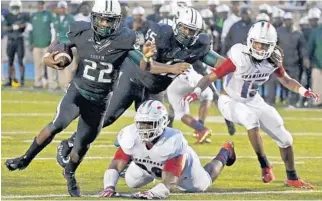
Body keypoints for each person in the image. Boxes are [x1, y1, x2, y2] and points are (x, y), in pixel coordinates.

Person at [4, 0, 169, 197]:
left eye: (110, 21)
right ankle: (25, 158)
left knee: (80, 147)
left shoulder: (126, 38)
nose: (105, 24)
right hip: (78, 91)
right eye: (102, 20)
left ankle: (70, 173)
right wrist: (51, 57)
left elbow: (143, 66)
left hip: (99, 101)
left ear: (117, 21)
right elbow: (60, 43)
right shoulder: (81, 30)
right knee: (57, 124)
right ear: (93, 18)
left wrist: (148, 57)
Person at [56, 7, 232, 167]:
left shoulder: (199, 45)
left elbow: (221, 63)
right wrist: (172, 68)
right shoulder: (160, 34)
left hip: (155, 89)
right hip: (133, 79)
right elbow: (146, 65)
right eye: (185, 28)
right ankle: (71, 142)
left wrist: (236, 66)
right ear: (177, 25)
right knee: (107, 117)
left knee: (151, 129)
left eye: (192, 30)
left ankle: (129, 162)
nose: (187, 33)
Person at [183, 21, 319, 188]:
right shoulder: (238, 58)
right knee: (250, 119)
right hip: (229, 100)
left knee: (285, 137)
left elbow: (286, 80)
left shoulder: (273, 59)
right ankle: (265, 165)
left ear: (271, 46)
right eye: (257, 43)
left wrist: (303, 91)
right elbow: (210, 78)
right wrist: (195, 92)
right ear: (250, 41)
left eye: (264, 45)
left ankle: (292, 177)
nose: (260, 48)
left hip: (254, 100)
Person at [98, 100, 236, 199]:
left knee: (201, 184)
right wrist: (109, 187)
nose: (144, 129)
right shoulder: (130, 135)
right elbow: (116, 164)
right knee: (132, 182)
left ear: (162, 122)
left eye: (149, 124)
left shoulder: (172, 141)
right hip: (149, 165)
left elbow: (170, 181)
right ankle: (139, 162)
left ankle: (226, 151)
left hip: (182, 170)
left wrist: (153, 193)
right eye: (141, 124)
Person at [2, 0, 29, 87]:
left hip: (19, 40)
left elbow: (24, 25)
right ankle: (10, 80)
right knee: (10, 61)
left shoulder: (24, 15)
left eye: (16, 7)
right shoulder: (8, 16)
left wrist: (15, 27)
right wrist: (15, 26)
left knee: (21, 61)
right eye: (14, 7)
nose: (15, 9)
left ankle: (22, 81)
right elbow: (5, 28)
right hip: (10, 41)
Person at [51, 1, 75, 90]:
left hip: (67, 43)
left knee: (67, 65)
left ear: (66, 8)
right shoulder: (55, 18)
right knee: (59, 64)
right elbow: (55, 32)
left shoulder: (70, 18)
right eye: (60, 8)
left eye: (63, 8)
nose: (61, 9)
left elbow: (73, 32)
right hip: (58, 44)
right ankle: (62, 84)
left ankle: (67, 84)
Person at [29, 1, 53, 89]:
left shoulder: (49, 15)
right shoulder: (33, 16)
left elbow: (53, 29)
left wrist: (52, 42)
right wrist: (30, 43)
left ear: (44, 5)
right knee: (37, 65)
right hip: (36, 45)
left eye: (42, 4)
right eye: (39, 4)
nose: (40, 6)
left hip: (47, 45)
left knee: (50, 65)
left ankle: (52, 84)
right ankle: (38, 83)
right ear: (37, 5)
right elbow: (30, 31)